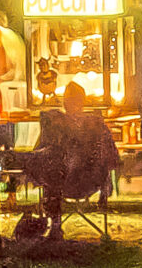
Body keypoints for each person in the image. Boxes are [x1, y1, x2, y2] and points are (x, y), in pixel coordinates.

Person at [30, 83, 119, 240]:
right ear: (83, 102)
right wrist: (105, 182)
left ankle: (55, 226)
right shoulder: (96, 124)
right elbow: (111, 156)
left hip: (60, 184)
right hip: (91, 183)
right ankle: (56, 227)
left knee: (51, 171)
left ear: (65, 103)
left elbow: (40, 154)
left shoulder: (56, 123)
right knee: (53, 169)